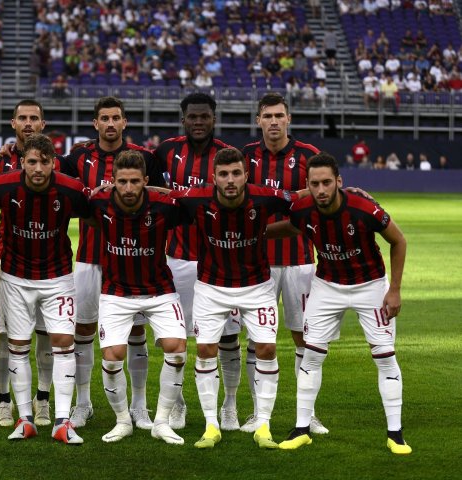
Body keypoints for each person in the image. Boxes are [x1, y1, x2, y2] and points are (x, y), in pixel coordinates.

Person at [271, 153, 411, 455]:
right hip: (327, 286)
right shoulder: (304, 208)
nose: (320, 190)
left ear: (339, 182)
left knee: (385, 357)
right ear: (308, 185)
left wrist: (395, 290)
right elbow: (293, 227)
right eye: (314, 184)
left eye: (326, 183)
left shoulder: (363, 208)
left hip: (371, 286)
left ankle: (395, 434)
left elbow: (399, 241)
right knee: (311, 355)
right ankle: (302, 428)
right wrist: (259, 234)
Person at [173, 147, 302, 450]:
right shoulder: (196, 198)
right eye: (223, 174)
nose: (230, 180)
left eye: (236, 173)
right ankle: (210, 425)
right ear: (214, 178)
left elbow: (301, 201)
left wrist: (344, 190)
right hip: (211, 286)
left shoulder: (264, 196)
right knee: (205, 349)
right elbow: (162, 196)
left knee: (267, 348)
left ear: (246, 175)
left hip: (257, 286)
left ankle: (264, 424)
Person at [0, 134, 92, 444]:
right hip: (15, 278)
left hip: (57, 278)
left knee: (63, 342)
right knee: (17, 344)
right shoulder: (2, 185)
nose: (38, 168)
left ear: (54, 163)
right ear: (23, 163)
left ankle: (62, 421)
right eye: (32, 161)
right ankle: (25, 419)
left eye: (45, 162)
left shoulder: (70, 189)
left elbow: (98, 214)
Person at [61, 96, 165, 430]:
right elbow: (52, 177)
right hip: (90, 258)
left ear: (124, 122)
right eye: (103, 118)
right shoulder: (78, 156)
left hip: (134, 261)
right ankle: (83, 404)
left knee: (136, 332)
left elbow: (163, 194)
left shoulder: (145, 159)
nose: (109, 123)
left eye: (115, 118)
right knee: (84, 330)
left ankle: (139, 406)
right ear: (95, 123)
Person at [235, 93, 328, 435]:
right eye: (267, 116)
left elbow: (322, 197)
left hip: (301, 260)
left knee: (304, 338)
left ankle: (308, 414)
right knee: (257, 339)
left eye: (279, 115)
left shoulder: (308, 156)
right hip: (256, 265)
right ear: (258, 121)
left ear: (289, 119)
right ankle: (258, 414)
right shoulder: (245, 157)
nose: (273, 122)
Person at [91, 150, 187, 445]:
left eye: (135, 181)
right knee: (112, 357)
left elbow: (192, 198)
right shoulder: (98, 202)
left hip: (159, 289)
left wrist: (159, 189)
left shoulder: (163, 205)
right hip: (116, 291)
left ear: (145, 181)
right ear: (113, 181)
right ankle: (123, 421)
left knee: (177, 349)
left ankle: (161, 421)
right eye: (122, 182)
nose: (129, 188)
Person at [152, 92, 234, 430]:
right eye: (193, 117)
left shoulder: (228, 156)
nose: (198, 122)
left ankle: (229, 405)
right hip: (179, 260)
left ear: (214, 118)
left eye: (204, 116)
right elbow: (150, 192)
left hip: (221, 263)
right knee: (178, 337)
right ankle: (178, 405)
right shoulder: (165, 152)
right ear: (184, 119)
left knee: (228, 337)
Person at [0, 100, 55, 428]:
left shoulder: (54, 163)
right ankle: (4, 401)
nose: (28, 123)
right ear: (13, 122)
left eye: (34, 118)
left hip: (51, 266)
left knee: (46, 336)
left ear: (42, 124)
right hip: (8, 261)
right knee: (4, 337)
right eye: (23, 118)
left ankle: (42, 400)